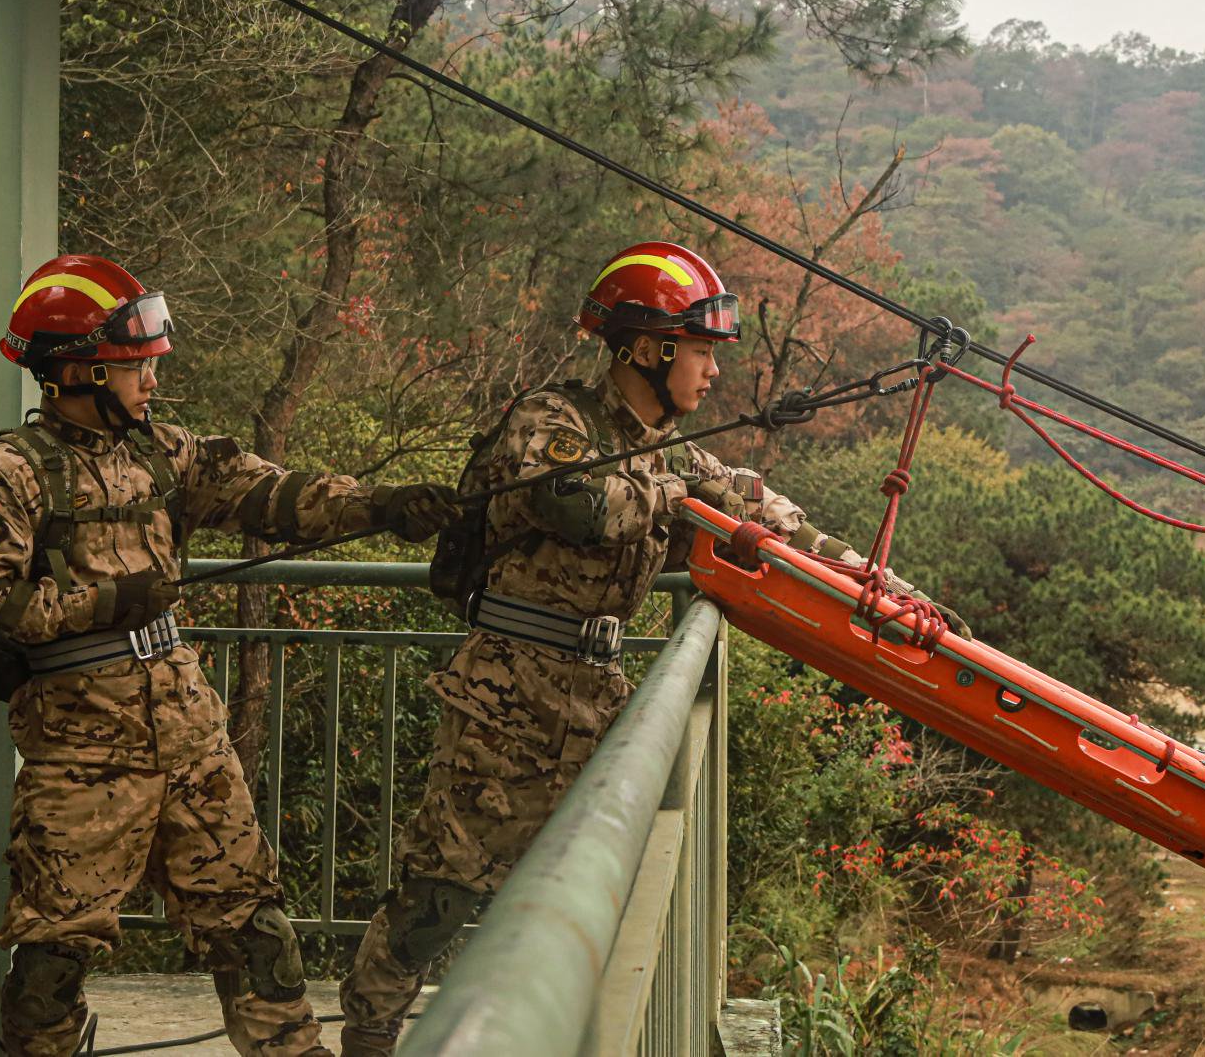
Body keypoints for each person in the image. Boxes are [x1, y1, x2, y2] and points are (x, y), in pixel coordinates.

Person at [338, 241, 938, 1054]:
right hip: (506, 699)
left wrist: (882, 586)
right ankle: (371, 1026)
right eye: (699, 352)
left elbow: (769, 516)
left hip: (597, 697)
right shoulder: (554, 422)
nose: (712, 373)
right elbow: (574, 504)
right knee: (442, 887)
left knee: (592, 897)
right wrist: (677, 489)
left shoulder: (670, 455)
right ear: (647, 350)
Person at [0, 254, 461, 1057]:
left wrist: (382, 507)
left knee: (255, 929)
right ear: (79, 369)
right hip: (81, 755)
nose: (151, 379)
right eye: (135, 364)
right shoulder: (9, 476)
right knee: (54, 960)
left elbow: (275, 496)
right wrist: (101, 603)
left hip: (191, 739)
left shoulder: (165, 452)